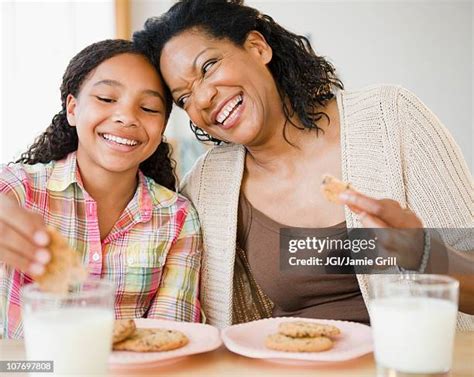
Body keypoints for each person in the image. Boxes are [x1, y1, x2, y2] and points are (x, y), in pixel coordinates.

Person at [133, 0, 474, 330]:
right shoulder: (208, 185)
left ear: (257, 47)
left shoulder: (391, 118)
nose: (203, 98)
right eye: (184, 98)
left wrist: (423, 253)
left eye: (208, 67)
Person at [0, 39, 202, 339]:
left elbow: (167, 337)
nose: (127, 117)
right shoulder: (20, 189)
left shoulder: (178, 218)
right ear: (72, 109)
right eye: (107, 99)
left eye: (148, 107)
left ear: (161, 129)